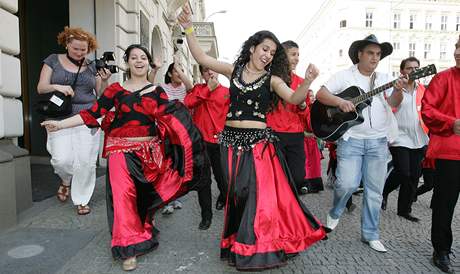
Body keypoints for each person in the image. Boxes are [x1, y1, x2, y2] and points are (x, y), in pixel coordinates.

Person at [178, 4, 326, 271]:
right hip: (230, 143)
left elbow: (294, 98)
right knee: (236, 192)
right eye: (264, 49)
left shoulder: (272, 80)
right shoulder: (232, 70)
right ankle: (241, 239)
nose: (268, 55)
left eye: (272, 52)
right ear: (252, 48)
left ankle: (257, 246)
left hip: (258, 144)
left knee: (257, 194)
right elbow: (201, 54)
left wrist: (307, 82)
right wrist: (187, 28)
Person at [41, 44, 206, 271]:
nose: (139, 61)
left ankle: (144, 223)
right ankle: (128, 247)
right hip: (120, 152)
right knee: (123, 198)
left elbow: (173, 119)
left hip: (150, 155)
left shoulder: (158, 92)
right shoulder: (115, 90)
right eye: (134, 57)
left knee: (143, 197)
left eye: (143, 58)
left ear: (148, 63)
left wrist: (188, 143)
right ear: (127, 62)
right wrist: (60, 124)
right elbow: (91, 114)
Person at [316, 34, 405, 253]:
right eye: (371, 53)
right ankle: (335, 211)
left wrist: (398, 90)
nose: (375, 58)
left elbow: (394, 103)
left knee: (374, 191)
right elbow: (321, 94)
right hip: (351, 140)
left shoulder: (385, 77)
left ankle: (371, 234)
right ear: (359, 54)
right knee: (346, 184)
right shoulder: (344, 76)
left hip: (378, 142)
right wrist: (340, 101)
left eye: (378, 54)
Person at [37, 26, 111, 215]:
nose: (79, 52)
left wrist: (105, 81)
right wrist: (58, 86)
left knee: (85, 161)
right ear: (67, 44)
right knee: (61, 159)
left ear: (89, 48)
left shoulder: (92, 66)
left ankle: (82, 198)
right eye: (75, 48)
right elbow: (41, 87)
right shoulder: (53, 60)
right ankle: (66, 181)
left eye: (83, 49)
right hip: (59, 115)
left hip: (87, 117)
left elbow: (100, 95)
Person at [421, 34, 460, 274]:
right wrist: (451, 123)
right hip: (450, 154)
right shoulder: (443, 78)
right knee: (444, 205)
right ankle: (441, 250)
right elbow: (427, 109)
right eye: (457, 46)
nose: (457, 52)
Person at [381, 57, 429, 222]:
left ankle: (404, 210)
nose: (413, 71)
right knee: (403, 172)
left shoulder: (423, 89)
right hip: (399, 137)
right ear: (402, 71)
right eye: (409, 68)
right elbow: (389, 107)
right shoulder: (395, 88)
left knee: (414, 176)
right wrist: (398, 90)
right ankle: (384, 191)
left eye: (416, 68)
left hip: (419, 138)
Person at [184, 65, 230, 229]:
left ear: (217, 70)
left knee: (222, 177)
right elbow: (188, 103)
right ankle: (206, 216)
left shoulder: (227, 92)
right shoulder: (198, 89)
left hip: (220, 142)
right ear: (202, 74)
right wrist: (207, 90)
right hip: (200, 142)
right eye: (205, 70)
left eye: (212, 69)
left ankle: (224, 197)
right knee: (203, 181)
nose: (210, 72)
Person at [266, 40, 308, 194]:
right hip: (273, 134)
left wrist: (303, 106)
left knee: (297, 178)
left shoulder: (302, 83)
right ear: (282, 56)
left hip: (295, 135)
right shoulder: (270, 79)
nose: (297, 58)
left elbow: (307, 117)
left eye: (298, 55)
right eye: (293, 54)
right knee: (276, 177)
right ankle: (281, 210)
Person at [160, 59, 193, 214]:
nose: (179, 74)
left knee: (179, 165)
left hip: (182, 132)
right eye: (176, 71)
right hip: (166, 131)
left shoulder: (185, 89)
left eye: (181, 72)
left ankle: (176, 197)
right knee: (168, 165)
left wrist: (179, 67)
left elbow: (190, 85)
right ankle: (167, 200)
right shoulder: (163, 88)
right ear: (169, 74)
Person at [302, 90, 325, 193]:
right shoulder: (303, 109)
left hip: (312, 139)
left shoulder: (314, 109)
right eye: (310, 96)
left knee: (314, 163)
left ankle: (314, 185)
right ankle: (305, 185)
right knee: (306, 163)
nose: (313, 98)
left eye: (313, 96)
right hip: (304, 139)